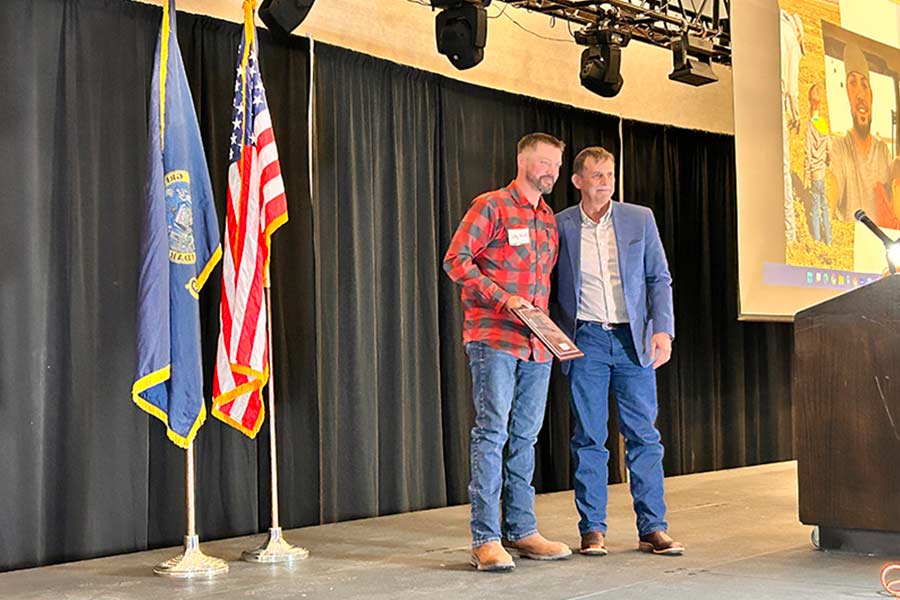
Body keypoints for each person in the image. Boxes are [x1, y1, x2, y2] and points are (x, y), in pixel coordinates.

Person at [443, 132, 572, 572]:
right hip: (494, 337)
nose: (551, 171)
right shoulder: (492, 206)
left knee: (525, 437)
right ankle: (486, 538)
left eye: (556, 165)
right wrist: (503, 298)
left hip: (537, 345)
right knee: (492, 433)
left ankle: (522, 529)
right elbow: (456, 260)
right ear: (522, 161)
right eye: (543, 163)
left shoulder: (549, 218)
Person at [553, 146, 682, 557]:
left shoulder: (638, 218)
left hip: (634, 340)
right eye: (596, 175)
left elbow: (659, 278)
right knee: (589, 436)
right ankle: (592, 529)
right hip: (586, 339)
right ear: (577, 181)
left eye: (609, 174)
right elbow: (549, 286)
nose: (605, 182)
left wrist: (663, 329)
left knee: (643, 435)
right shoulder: (560, 225)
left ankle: (653, 528)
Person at [832, 42, 892, 224]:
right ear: (848, 95)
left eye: (864, 86)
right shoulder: (839, 148)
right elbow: (832, 185)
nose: (860, 95)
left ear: (871, 97)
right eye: (853, 84)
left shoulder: (883, 151)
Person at [805, 83, 832, 244]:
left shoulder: (810, 125)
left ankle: (816, 240)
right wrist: (828, 161)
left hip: (814, 173)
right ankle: (828, 240)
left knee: (815, 208)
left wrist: (806, 173)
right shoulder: (822, 124)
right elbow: (830, 148)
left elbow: (807, 152)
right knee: (824, 207)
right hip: (822, 171)